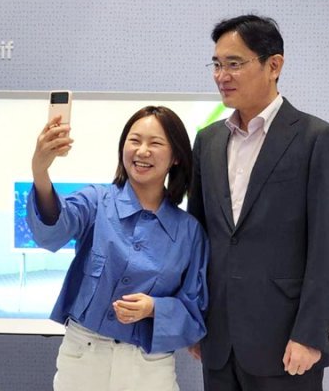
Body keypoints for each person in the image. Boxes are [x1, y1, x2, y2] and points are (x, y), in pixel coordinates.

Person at [187, 14, 329, 391]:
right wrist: (194, 320)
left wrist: (311, 334)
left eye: (234, 63)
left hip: (286, 342)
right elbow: (198, 238)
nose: (222, 76)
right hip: (218, 339)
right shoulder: (208, 141)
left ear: (274, 65)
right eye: (216, 64)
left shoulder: (316, 138)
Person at [26, 106, 208, 391]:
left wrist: (154, 308)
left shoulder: (189, 232)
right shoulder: (96, 200)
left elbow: (195, 314)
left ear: (175, 157)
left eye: (155, 143)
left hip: (148, 368)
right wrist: (40, 171)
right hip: (83, 358)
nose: (142, 151)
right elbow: (52, 232)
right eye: (134, 140)